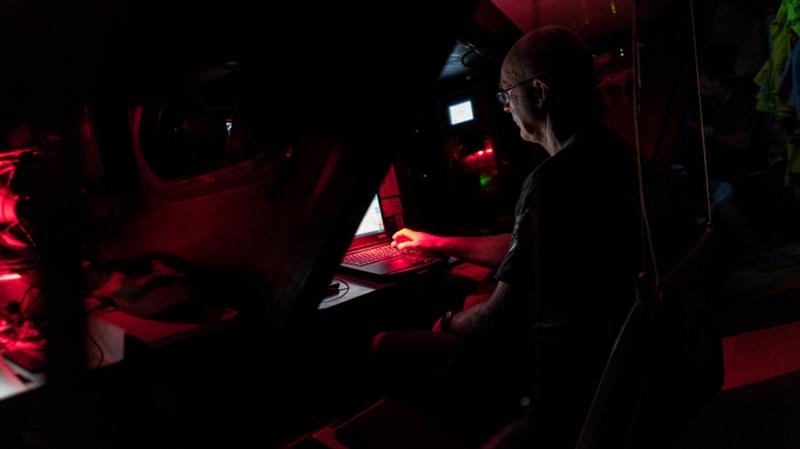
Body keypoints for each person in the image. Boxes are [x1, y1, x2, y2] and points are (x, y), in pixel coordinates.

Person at [391, 26, 640, 446]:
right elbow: (526, 249)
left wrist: (449, 322)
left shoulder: (552, 181)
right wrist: (436, 243)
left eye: (507, 94)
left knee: (388, 345)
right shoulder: (616, 156)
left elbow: (496, 319)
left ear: (539, 93)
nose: (504, 107)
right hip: (612, 364)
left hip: (563, 377)